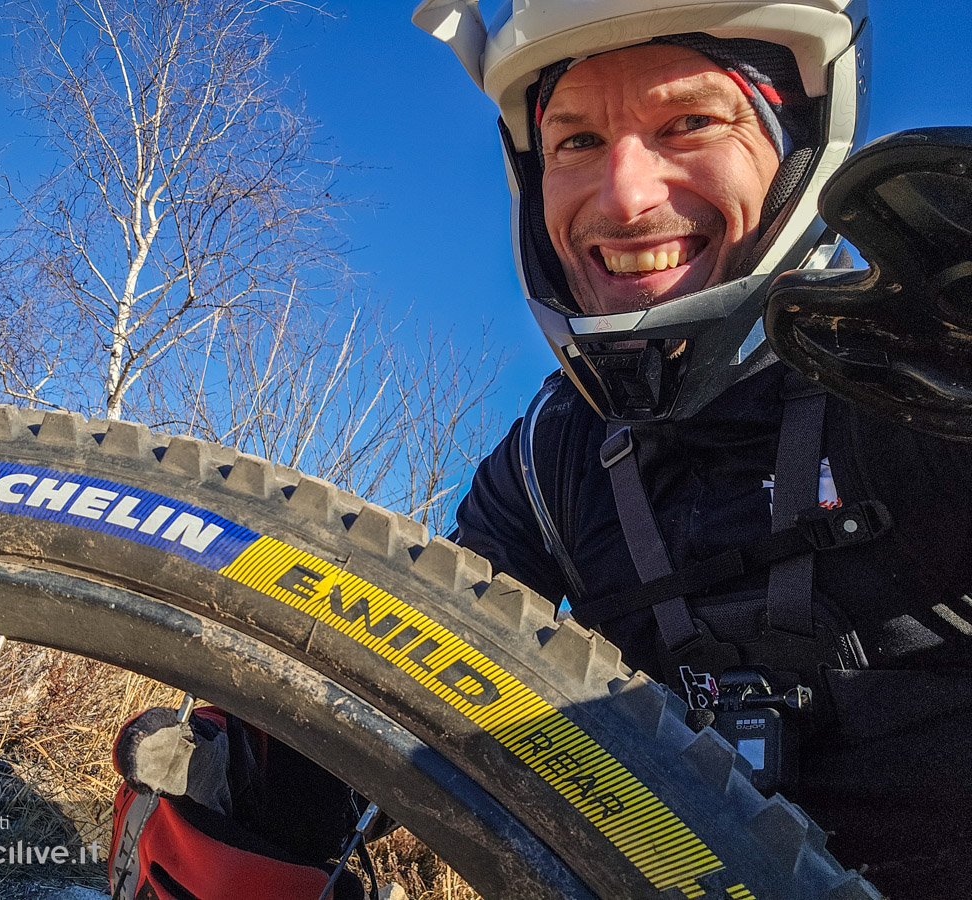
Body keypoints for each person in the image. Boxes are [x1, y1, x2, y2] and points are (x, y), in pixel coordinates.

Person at [411, 0, 972, 896]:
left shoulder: (919, 375)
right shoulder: (551, 459)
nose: (626, 198)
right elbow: (399, 655)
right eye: (577, 143)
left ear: (795, 152)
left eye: (691, 122)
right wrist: (240, 786)